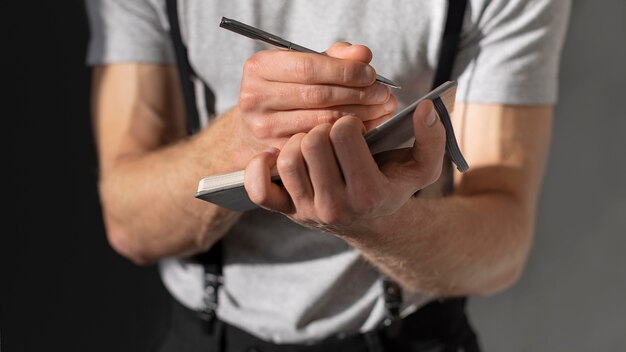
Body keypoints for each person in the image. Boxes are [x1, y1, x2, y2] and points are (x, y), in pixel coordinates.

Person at [85, 0, 570, 351]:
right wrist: (242, 141)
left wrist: (378, 223)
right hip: (210, 334)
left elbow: (503, 240)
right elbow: (130, 224)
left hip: (411, 336)